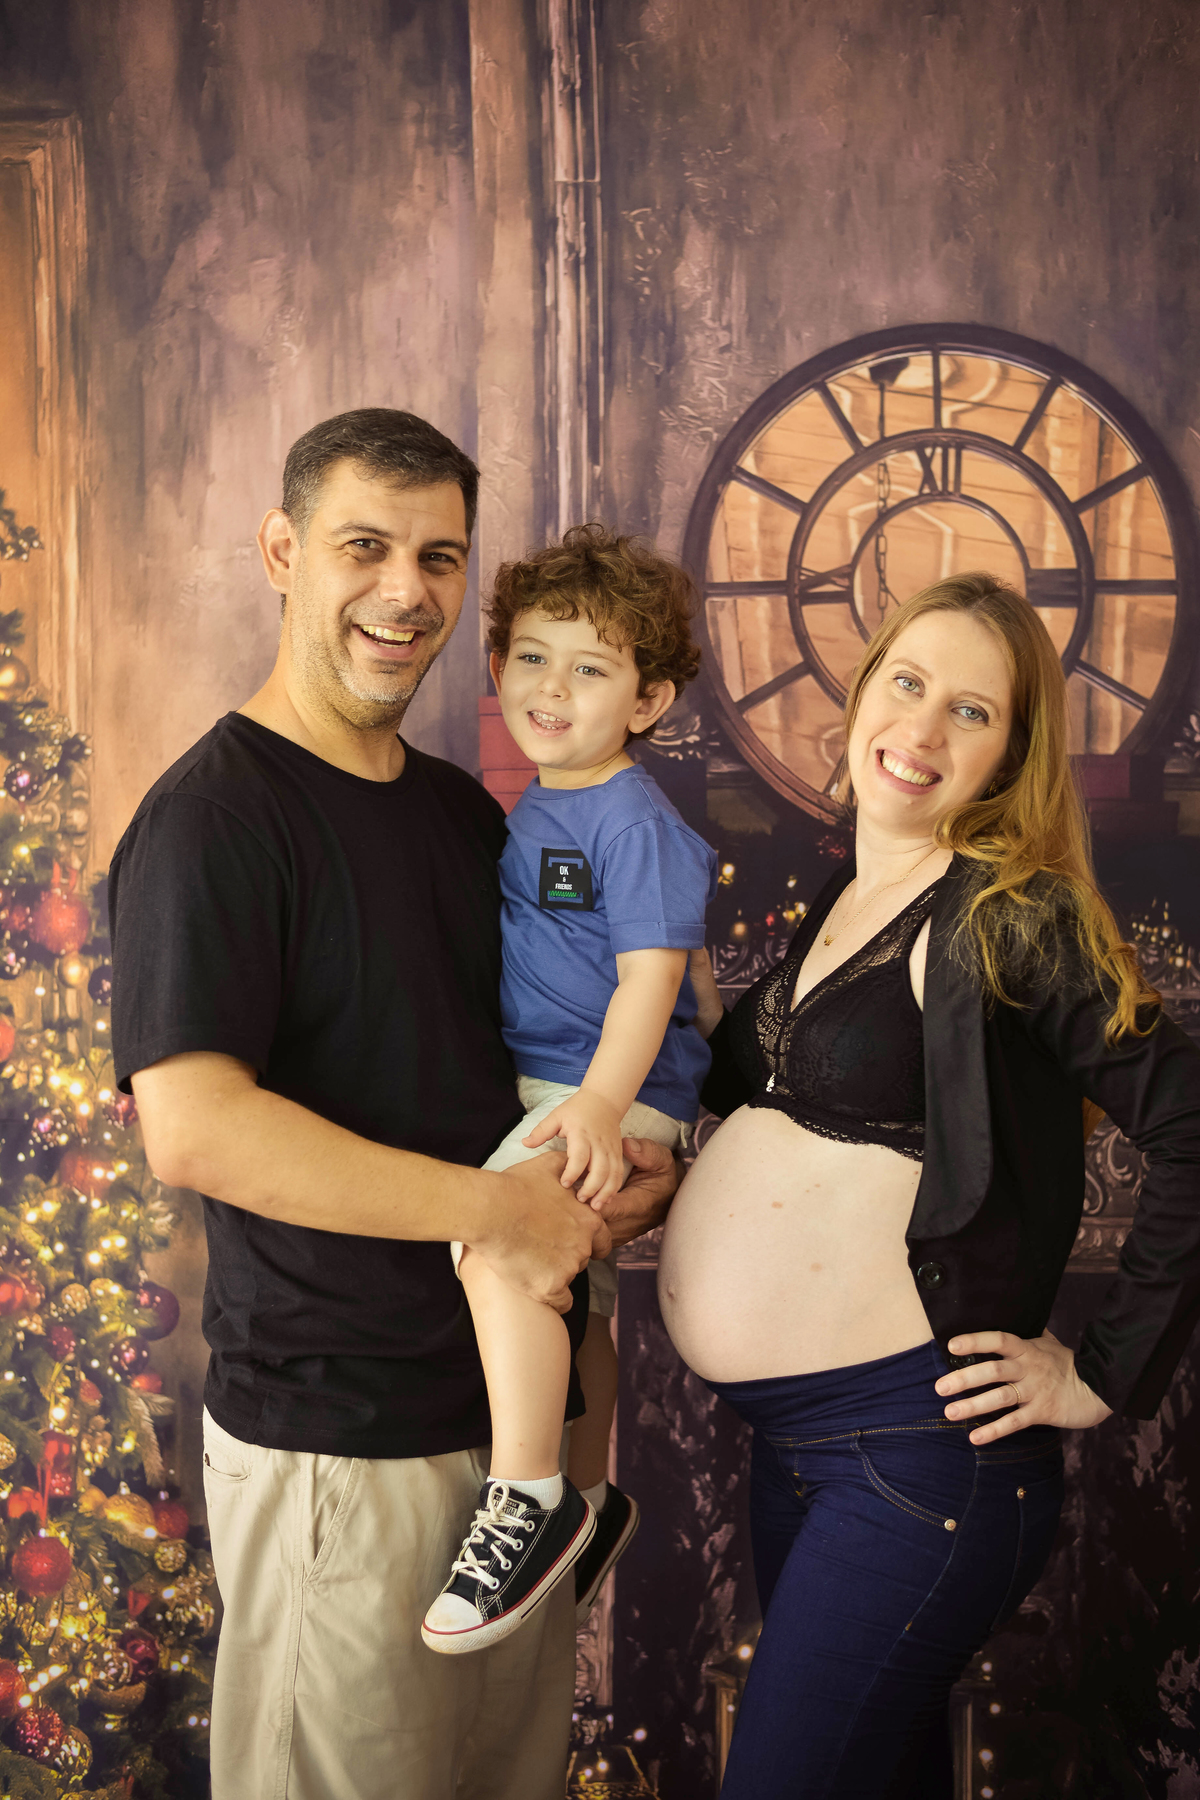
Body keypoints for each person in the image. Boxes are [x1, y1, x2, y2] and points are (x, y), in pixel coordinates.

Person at [108, 408, 678, 1800]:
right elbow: (195, 1127)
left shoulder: (465, 818)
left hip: (510, 1462)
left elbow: (545, 1059)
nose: (405, 590)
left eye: (439, 556)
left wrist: (619, 1175)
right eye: (365, 546)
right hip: (335, 1454)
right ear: (283, 552)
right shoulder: (214, 820)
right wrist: (504, 1215)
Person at [658, 572, 1200, 1799]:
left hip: (916, 1457)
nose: (923, 728)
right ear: (860, 696)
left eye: (973, 711)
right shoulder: (849, 898)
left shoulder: (1015, 916)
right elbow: (746, 1089)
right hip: (800, 1447)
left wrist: (1104, 1371)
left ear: (1011, 758)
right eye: (909, 683)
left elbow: (1193, 1121)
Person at [420, 525, 717, 1654]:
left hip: (601, 1086)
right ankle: (592, 1500)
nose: (553, 688)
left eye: (590, 669)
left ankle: (527, 1495)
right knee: (563, 1291)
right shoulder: (549, 798)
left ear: (649, 699)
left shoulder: (630, 817)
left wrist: (598, 1106)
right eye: (533, 659)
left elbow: (653, 980)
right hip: (563, 1080)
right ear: (496, 672)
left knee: (497, 1249)